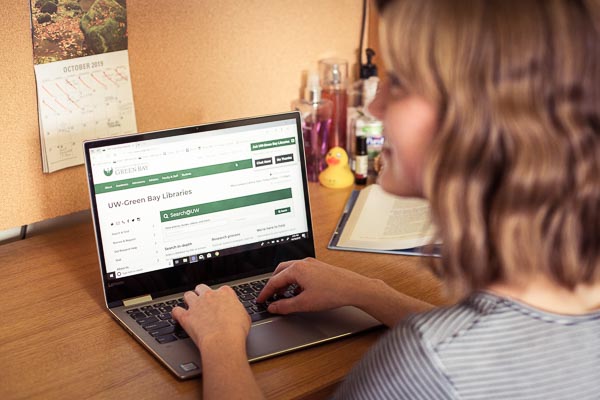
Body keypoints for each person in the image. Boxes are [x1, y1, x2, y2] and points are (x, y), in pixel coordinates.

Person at [173, 0, 600, 398]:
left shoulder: (426, 366)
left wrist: (219, 343)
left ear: (474, 115)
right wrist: (371, 292)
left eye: (398, 84)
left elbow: (446, 355)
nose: (374, 108)